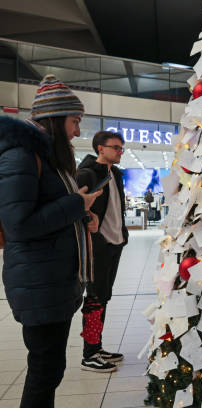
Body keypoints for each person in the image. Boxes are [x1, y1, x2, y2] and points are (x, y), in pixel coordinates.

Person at [0, 74, 102, 408]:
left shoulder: (50, 157)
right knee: (45, 370)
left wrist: (84, 216)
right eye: (75, 121)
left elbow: (49, 212)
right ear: (56, 120)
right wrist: (77, 204)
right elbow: (18, 224)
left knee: (49, 368)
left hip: (52, 279)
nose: (77, 130)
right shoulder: (22, 155)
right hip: (38, 281)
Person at [76, 131, 129, 372]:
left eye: (121, 148)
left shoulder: (115, 174)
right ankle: (89, 354)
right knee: (95, 299)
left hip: (115, 244)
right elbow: (76, 206)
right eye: (116, 147)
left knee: (103, 296)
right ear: (100, 148)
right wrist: (88, 218)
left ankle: (96, 346)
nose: (120, 151)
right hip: (98, 246)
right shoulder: (87, 173)